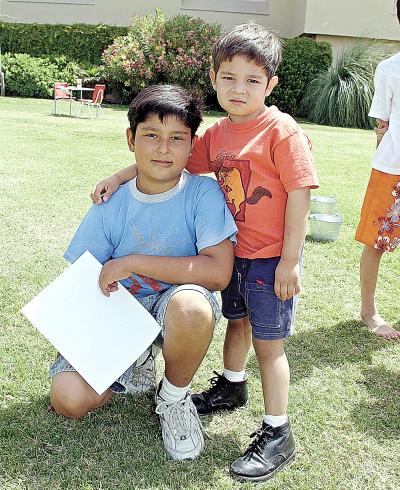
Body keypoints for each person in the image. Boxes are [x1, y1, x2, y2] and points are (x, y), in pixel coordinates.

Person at [91, 22, 319, 482]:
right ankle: (232, 387)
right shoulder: (215, 135)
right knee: (236, 324)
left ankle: (278, 430)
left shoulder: (282, 131)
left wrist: (290, 260)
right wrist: (119, 177)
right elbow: (168, 161)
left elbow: (300, 194)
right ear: (213, 79)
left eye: (253, 80)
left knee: (268, 345)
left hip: (271, 257)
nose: (239, 89)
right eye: (229, 78)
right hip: (234, 252)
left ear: (270, 85)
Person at [49, 84, 238, 462]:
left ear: (191, 144)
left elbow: (218, 274)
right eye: (151, 135)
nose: (163, 149)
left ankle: (172, 398)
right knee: (68, 399)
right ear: (131, 139)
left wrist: (132, 261)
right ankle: (134, 365)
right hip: (118, 315)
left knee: (191, 306)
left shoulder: (202, 194)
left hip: (174, 309)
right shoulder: (111, 201)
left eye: (176, 138)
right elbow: (83, 277)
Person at [355, 0, 400, 340]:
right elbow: (382, 124)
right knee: (376, 241)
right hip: (391, 170)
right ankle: (368, 311)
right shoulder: (389, 68)